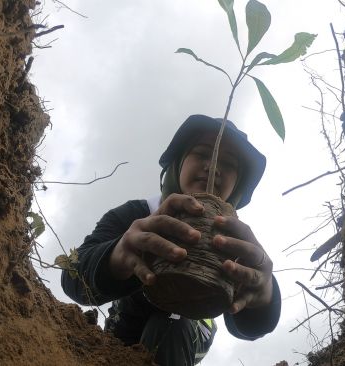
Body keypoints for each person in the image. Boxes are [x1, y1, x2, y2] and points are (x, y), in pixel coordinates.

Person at [61, 114, 281, 365]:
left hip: (185, 334)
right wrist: (116, 256)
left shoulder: (235, 239)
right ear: (178, 163)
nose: (213, 167)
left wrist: (264, 294)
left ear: (238, 187)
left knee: (171, 324)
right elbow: (72, 277)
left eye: (228, 164)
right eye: (201, 153)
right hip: (121, 333)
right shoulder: (136, 215)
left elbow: (251, 326)